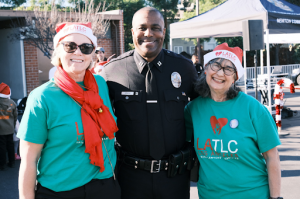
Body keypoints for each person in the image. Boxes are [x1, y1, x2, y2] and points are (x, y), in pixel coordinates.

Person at [100, 7, 198, 199]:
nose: (148, 34)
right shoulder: (111, 71)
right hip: (130, 178)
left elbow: (204, 109)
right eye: (142, 28)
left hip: (175, 177)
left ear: (164, 31)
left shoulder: (184, 68)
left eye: (155, 27)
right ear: (132, 32)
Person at [17, 22, 121, 199]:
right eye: (70, 46)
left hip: (104, 188)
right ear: (58, 51)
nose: (78, 52)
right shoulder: (42, 97)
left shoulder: (101, 85)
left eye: (86, 47)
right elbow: (28, 161)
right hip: (60, 192)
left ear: (92, 54)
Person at [184, 43, 282, 199]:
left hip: (253, 194)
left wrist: (276, 198)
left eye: (228, 69)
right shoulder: (193, 109)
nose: (220, 73)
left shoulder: (253, 109)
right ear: (206, 69)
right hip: (209, 195)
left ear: (236, 77)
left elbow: (272, 157)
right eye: (216, 65)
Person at [0, 83, 18, 170]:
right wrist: (13, 126)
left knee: (1, 147)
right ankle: (12, 162)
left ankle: (2, 164)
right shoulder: (12, 103)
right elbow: (15, 116)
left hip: (0, 130)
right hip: (10, 128)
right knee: (10, 146)